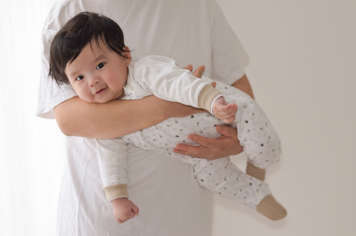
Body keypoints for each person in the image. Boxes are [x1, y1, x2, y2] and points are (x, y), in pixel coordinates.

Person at [38, 0, 280, 235]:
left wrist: (235, 139)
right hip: (101, 217)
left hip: (185, 211)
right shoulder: (69, 11)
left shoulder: (198, 6)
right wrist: (170, 104)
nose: (92, 80)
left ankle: (256, 190)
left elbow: (239, 87)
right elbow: (71, 121)